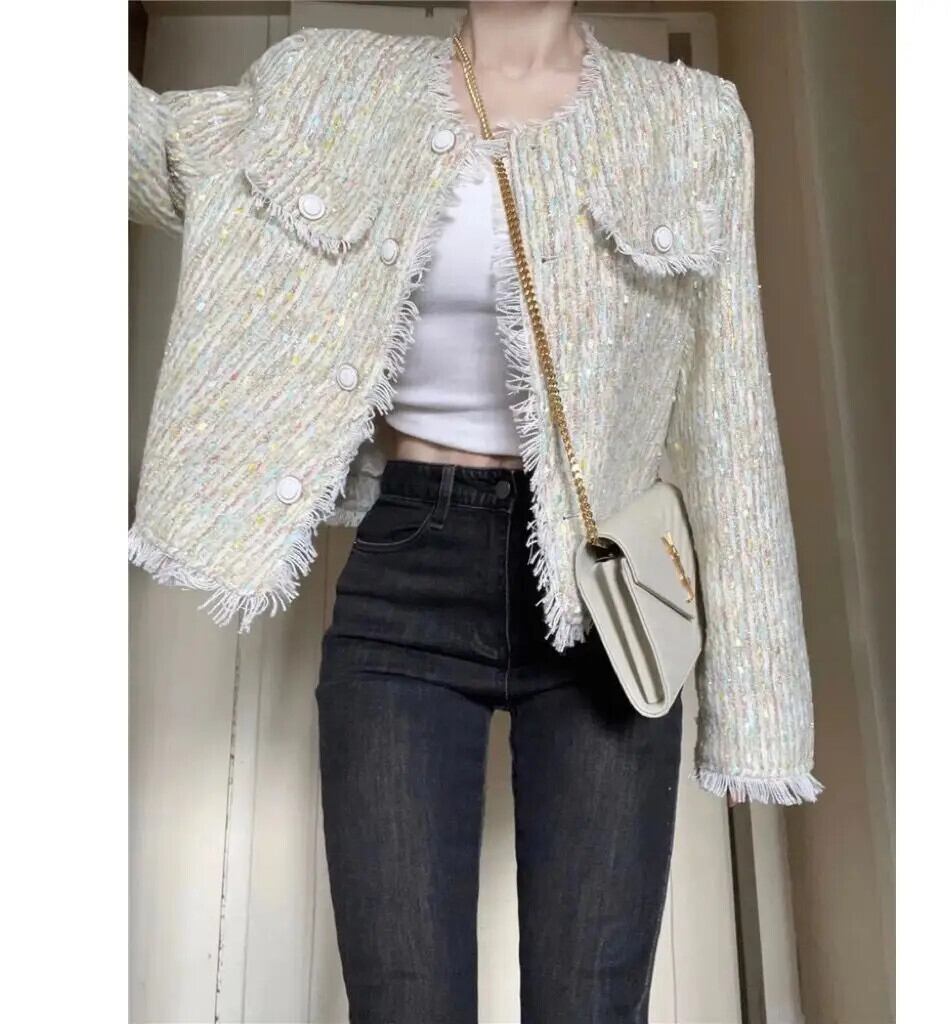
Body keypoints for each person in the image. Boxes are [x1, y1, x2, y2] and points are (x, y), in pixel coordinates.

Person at [128, 2, 820, 1020]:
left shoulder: (687, 120)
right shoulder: (330, 82)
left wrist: (760, 708)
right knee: (403, 1003)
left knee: (592, 1005)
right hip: (408, 569)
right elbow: (152, 156)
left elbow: (729, 405)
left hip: (604, 593)